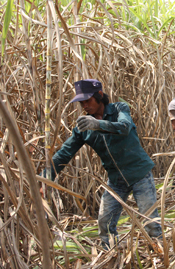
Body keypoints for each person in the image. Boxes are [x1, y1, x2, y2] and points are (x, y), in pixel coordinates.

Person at [43, 79, 162, 249]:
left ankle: (160, 254)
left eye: (88, 100)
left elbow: (125, 127)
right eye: (81, 102)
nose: (85, 106)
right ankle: (113, 256)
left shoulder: (119, 108)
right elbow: (65, 153)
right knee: (105, 223)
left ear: (99, 95)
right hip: (116, 180)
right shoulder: (83, 127)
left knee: (150, 221)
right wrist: (45, 178)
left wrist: (98, 125)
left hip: (139, 173)